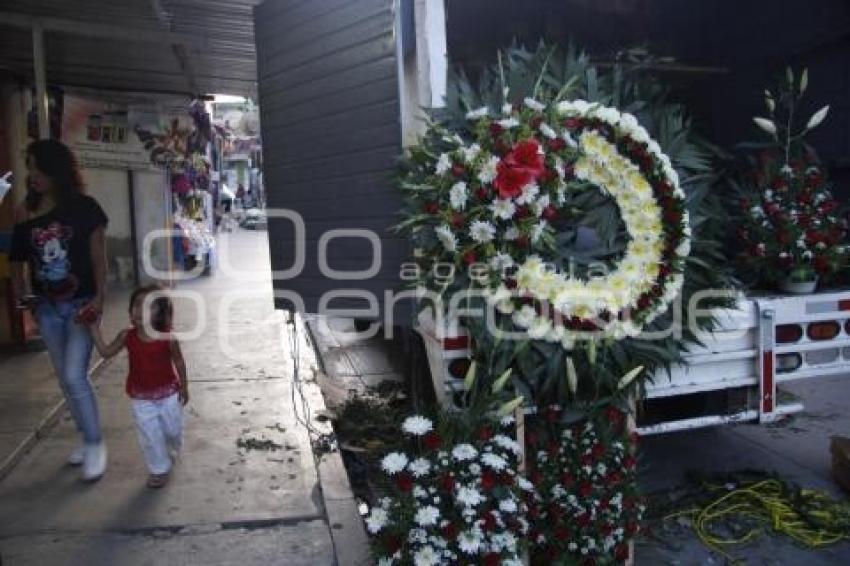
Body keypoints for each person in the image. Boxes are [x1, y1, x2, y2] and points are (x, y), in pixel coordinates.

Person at [10, 140, 109, 482]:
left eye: (39, 168)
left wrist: (99, 298)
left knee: (73, 375)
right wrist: (20, 291)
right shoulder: (25, 211)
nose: (33, 175)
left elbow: (99, 257)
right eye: (30, 168)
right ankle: (86, 437)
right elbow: (19, 257)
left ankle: (96, 443)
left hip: (81, 306)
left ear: (57, 170)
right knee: (67, 381)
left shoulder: (85, 208)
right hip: (48, 309)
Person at [89, 285, 189, 488]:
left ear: (159, 312)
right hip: (141, 398)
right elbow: (106, 352)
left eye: (146, 306)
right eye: (135, 305)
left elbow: (179, 362)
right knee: (149, 435)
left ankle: (171, 448)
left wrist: (184, 387)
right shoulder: (127, 336)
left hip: (169, 394)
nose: (137, 310)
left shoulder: (168, 338)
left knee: (172, 430)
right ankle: (158, 469)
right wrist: (94, 329)